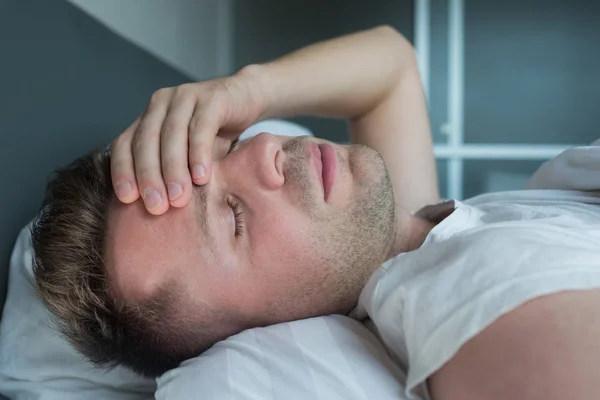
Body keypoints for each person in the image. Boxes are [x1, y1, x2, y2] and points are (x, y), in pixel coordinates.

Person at [31, 26, 600, 400]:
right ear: (274, 328)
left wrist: (246, 89)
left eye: (228, 148)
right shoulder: (468, 301)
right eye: (233, 219)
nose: (263, 150)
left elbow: (390, 70)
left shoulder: (407, 237)